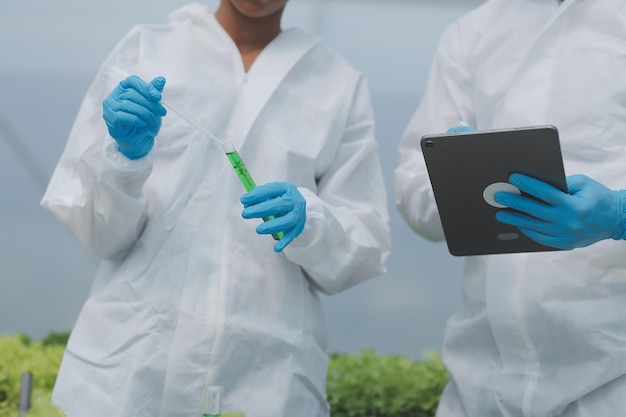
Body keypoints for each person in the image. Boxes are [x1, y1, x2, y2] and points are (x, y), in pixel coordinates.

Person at [41, 1, 391, 416]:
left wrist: (312, 224)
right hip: (134, 368)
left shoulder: (336, 83)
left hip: (264, 374)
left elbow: (364, 244)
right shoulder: (148, 50)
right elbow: (97, 232)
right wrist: (125, 161)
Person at [394, 0, 626, 416]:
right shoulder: (473, 32)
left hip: (614, 376)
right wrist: (454, 179)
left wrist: (618, 213)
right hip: (482, 379)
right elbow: (412, 182)